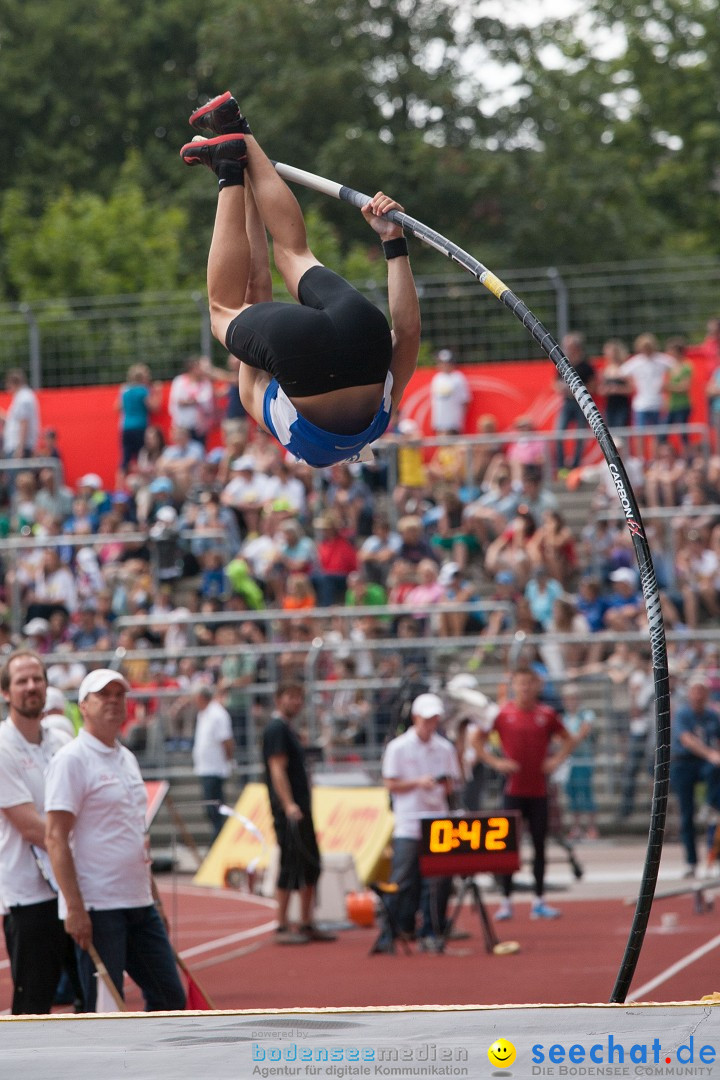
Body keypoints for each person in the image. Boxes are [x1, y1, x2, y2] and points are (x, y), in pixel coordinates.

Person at [180, 91, 421, 468]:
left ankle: (236, 126)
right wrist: (233, 178)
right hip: (299, 351)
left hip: (362, 331)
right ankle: (228, 163)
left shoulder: (383, 414)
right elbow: (254, 290)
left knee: (296, 253)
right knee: (223, 309)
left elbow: (407, 331)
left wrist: (393, 242)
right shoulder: (286, 431)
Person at [44, 669, 186, 1012]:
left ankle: (157, 1065)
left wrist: (154, 900)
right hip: (98, 907)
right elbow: (55, 837)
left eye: (119, 694)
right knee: (105, 1010)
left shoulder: (127, 759)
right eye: (102, 695)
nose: (112, 701)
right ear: (84, 706)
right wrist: (74, 908)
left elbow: (134, 835)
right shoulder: (71, 760)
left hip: (138, 904)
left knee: (170, 998)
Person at [0, 651, 77, 1014]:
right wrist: (81, 845)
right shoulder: (2, 747)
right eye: (21, 681)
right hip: (29, 898)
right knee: (33, 1008)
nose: (32, 687)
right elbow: (31, 827)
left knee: (92, 1002)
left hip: (74, 889)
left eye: (37, 679)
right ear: (5, 693)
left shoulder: (60, 743)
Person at [473, 667, 575, 921]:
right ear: (514, 685)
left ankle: (539, 900)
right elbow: (477, 740)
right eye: (521, 684)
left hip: (539, 790)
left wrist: (556, 761)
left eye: (530, 684)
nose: (525, 688)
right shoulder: (502, 714)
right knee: (509, 847)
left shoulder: (546, 714)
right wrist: (497, 763)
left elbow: (568, 740)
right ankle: (506, 901)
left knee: (540, 845)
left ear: (537, 686)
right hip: (513, 790)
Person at [374, 693, 461, 953]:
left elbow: (452, 783)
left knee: (438, 881)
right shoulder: (398, 747)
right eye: (426, 719)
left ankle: (432, 930)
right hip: (409, 822)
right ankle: (392, 931)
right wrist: (418, 783)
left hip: (437, 820)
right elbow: (390, 783)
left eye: (434, 719)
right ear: (415, 718)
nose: (431, 724)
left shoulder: (444, 748)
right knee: (402, 880)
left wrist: (440, 785)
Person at [262, 681, 336, 944]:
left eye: (299, 697)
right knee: (291, 864)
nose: (296, 702)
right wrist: (288, 804)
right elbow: (277, 769)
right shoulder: (277, 729)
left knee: (310, 863)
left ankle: (306, 921)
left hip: (300, 808)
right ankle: (282, 925)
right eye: (290, 696)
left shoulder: (288, 730)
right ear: (279, 698)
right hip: (290, 810)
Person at [669, 674, 720, 876]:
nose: (699, 695)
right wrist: (710, 754)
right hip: (684, 763)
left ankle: (710, 805)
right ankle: (691, 861)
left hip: (706, 764)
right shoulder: (683, 714)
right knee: (686, 814)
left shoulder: (712, 715)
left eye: (702, 691)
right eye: (695, 690)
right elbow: (687, 740)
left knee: (715, 810)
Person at [191, 682, 235, 841]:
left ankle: (218, 841)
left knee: (215, 809)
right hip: (206, 768)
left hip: (215, 769)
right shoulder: (203, 714)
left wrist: (228, 761)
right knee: (210, 809)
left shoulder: (218, 714)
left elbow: (227, 741)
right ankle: (218, 839)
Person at [554, 333, 595, 472]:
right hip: (567, 402)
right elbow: (555, 383)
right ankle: (561, 466)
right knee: (558, 433)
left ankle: (576, 466)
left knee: (580, 436)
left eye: (569, 346)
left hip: (582, 404)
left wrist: (577, 390)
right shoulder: (563, 364)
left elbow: (593, 386)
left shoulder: (586, 366)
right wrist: (561, 388)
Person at [429, 349, 471, 436]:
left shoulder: (458, 378)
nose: (443, 365)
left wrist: (459, 420)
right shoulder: (437, 378)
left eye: (446, 363)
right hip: (439, 422)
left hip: (453, 422)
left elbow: (465, 401)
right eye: (441, 362)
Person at [1, 369, 40, 460]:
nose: (7, 388)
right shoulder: (21, 397)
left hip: (18, 447)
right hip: (17, 445)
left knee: (19, 473)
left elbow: (24, 422)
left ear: (14, 383)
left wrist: (20, 448)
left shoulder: (24, 399)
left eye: (8, 385)